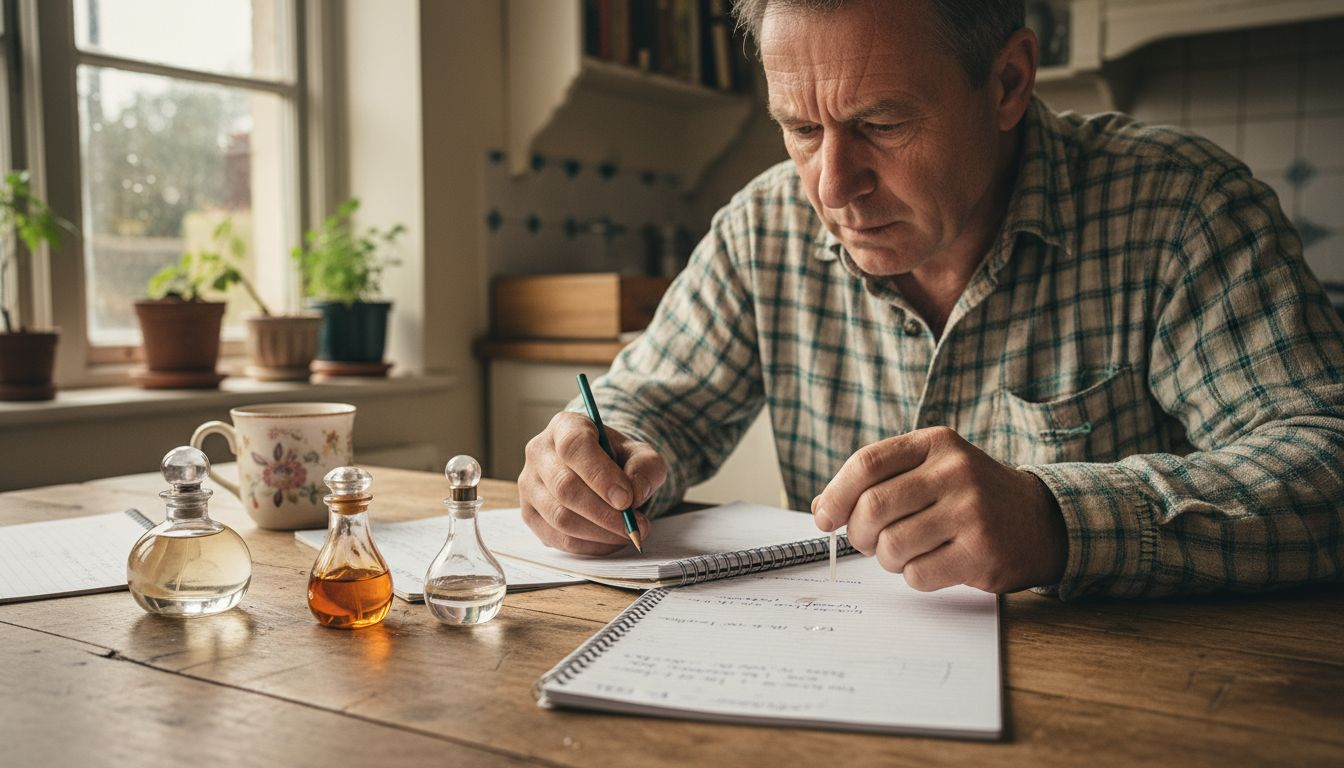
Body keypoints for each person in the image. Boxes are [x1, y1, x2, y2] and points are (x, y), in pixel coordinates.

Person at [516, 0, 1344, 599]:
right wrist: (594, 459)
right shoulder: (761, 228)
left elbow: (1325, 456)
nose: (831, 187)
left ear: (1008, 82)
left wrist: (1057, 522)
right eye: (801, 129)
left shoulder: (1182, 207)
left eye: (881, 124)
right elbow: (650, 405)